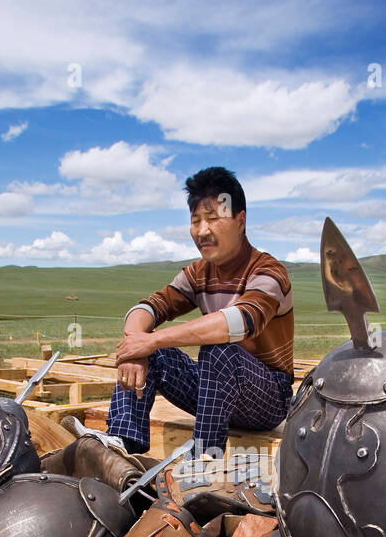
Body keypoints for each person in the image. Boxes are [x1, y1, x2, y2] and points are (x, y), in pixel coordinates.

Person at [108, 166, 294, 457]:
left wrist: (153, 339)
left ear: (240, 221)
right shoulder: (198, 272)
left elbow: (238, 322)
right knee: (147, 349)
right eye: (196, 221)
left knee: (218, 349)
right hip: (215, 390)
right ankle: (119, 446)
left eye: (213, 219)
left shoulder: (268, 271)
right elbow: (148, 307)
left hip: (268, 397)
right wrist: (136, 344)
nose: (202, 230)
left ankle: (204, 460)